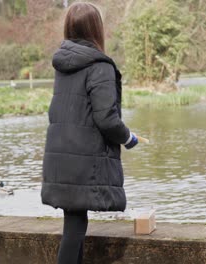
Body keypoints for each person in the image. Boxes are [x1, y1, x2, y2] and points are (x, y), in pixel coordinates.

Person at [40, 2, 138, 263]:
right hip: (82, 157)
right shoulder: (100, 66)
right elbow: (106, 118)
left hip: (62, 154)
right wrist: (128, 137)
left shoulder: (63, 65)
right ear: (97, 28)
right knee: (74, 226)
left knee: (74, 222)